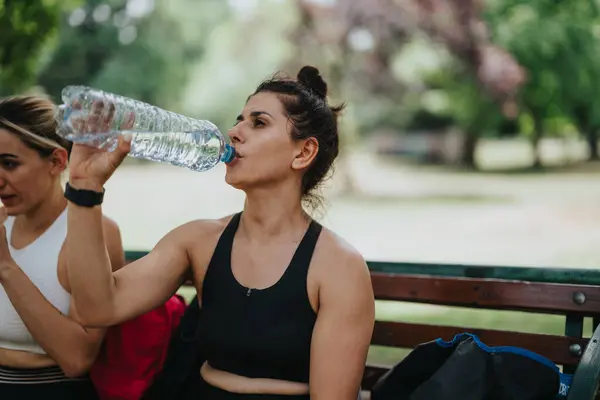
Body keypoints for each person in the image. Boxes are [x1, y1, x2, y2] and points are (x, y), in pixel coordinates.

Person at [65, 65, 376, 399]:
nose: (235, 131)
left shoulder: (338, 267)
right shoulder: (198, 241)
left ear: (303, 152)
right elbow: (97, 308)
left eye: (258, 123)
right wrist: (85, 189)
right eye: (239, 120)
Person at [0, 95, 125, 398]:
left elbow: (77, 359)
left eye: (8, 164)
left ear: (57, 161)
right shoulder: (3, 222)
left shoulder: (93, 235)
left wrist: (5, 266)